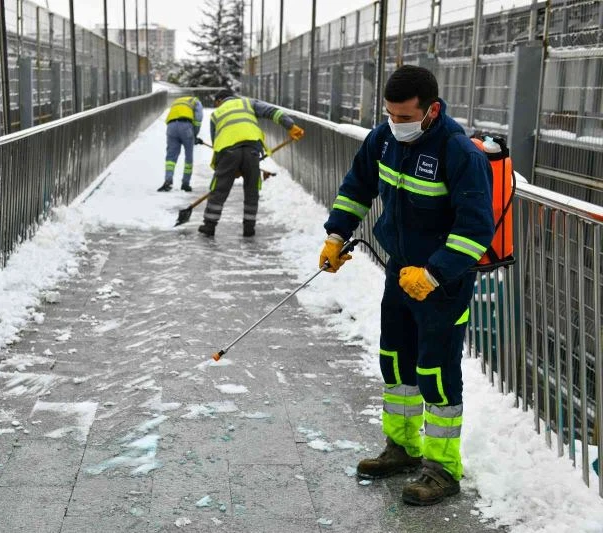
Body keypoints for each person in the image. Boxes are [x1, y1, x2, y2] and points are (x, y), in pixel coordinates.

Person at [318, 65, 494, 505]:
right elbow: (357, 187)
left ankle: (442, 468)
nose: (396, 123)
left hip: (443, 281)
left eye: (405, 116)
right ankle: (402, 447)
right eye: (390, 114)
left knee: (436, 370)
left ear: (431, 110)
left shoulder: (458, 152)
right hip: (400, 271)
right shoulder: (383, 139)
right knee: (396, 361)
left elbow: (476, 229)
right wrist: (337, 235)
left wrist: (433, 273)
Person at [198, 89, 304, 237]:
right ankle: (249, 228)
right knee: (251, 190)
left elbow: (217, 144)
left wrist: (227, 168)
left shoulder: (216, 114)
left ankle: (209, 226)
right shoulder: (248, 103)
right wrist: (290, 126)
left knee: (219, 189)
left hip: (228, 152)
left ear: (219, 100)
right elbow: (272, 112)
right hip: (252, 149)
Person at [158, 95, 204, 192]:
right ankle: (185, 183)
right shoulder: (196, 101)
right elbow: (198, 119)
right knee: (188, 157)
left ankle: (168, 180)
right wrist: (194, 135)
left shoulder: (178, 101)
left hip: (171, 127)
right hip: (186, 126)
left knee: (171, 157)